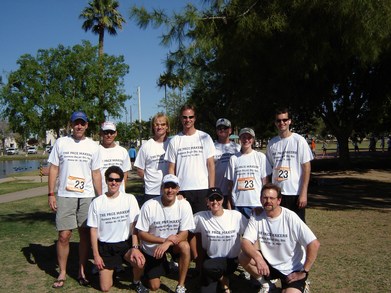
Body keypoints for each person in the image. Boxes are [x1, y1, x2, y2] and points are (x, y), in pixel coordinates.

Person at [48, 111, 102, 289]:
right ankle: (62, 271)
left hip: (86, 195)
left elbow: (96, 173)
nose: (79, 126)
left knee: (84, 233)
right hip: (65, 194)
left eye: (82, 123)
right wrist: (51, 193)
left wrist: (100, 198)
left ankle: (81, 270)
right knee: (64, 235)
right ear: (71, 125)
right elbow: (54, 168)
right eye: (76, 123)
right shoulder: (61, 143)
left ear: (87, 125)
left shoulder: (93, 146)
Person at [239, 183, 320, 293]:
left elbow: (314, 244)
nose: (268, 201)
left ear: (279, 200)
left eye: (272, 198)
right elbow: (245, 242)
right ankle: (266, 286)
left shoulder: (290, 217)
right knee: (244, 256)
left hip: (292, 269)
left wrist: (304, 271)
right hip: (269, 264)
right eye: (265, 197)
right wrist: (258, 259)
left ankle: (302, 284)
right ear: (260, 199)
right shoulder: (257, 215)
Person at [87, 166, 147, 292]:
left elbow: (135, 226)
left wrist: (135, 248)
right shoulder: (97, 202)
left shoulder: (129, 199)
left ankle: (136, 282)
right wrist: (96, 255)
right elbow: (93, 230)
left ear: (121, 181)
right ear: (106, 180)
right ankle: (111, 268)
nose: (114, 182)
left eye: (117, 180)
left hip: (125, 244)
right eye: (110, 179)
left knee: (140, 261)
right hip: (106, 246)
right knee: (105, 288)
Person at [135, 174, 195, 293]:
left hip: (171, 244)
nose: (170, 190)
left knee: (185, 246)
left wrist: (167, 243)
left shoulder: (184, 204)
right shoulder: (149, 205)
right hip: (153, 247)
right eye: (167, 187)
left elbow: (185, 233)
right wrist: (163, 241)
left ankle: (181, 286)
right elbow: (141, 234)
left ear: (178, 189)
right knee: (154, 286)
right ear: (162, 188)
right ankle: (147, 270)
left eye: (173, 187)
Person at [192, 187, 248, 293]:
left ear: (222, 200)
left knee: (207, 267)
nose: (215, 202)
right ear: (206, 201)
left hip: (230, 261)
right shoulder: (200, 217)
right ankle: (223, 280)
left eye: (218, 199)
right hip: (211, 260)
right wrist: (195, 254)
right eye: (211, 199)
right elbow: (187, 230)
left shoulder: (235, 215)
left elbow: (250, 232)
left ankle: (223, 278)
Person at [165, 104, 215, 214]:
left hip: (202, 188)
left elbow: (211, 165)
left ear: (195, 118)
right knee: (184, 227)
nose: (188, 120)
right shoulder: (175, 140)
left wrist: (211, 190)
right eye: (185, 117)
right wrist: (175, 190)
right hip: (182, 189)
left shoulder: (205, 137)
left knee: (201, 226)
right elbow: (171, 168)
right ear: (181, 118)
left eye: (191, 117)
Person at [266, 108, 313, 222]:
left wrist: (303, 193)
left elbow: (306, 167)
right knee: (279, 225)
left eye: (284, 120)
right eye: (279, 120)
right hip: (278, 194)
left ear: (290, 121)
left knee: (297, 227)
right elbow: (269, 169)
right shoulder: (272, 143)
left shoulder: (299, 140)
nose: (282, 123)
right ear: (275, 123)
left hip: (295, 192)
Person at [226, 128, 271, 219]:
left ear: (253, 140)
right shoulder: (234, 158)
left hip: (256, 203)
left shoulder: (260, 157)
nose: (246, 140)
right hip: (238, 203)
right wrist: (229, 202)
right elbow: (230, 184)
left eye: (249, 137)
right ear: (240, 139)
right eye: (244, 137)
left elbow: (265, 182)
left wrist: (265, 201)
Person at [134, 113, 171, 205]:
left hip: (170, 190)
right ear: (153, 127)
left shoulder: (172, 143)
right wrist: (149, 180)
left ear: (167, 126)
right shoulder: (146, 146)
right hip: (151, 191)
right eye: (156, 124)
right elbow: (139, 170)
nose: (159, 127)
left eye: (163, 124)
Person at [214, 118, 241, 208]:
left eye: (225, 128)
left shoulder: (237, 148)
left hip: (235, 191)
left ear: (230, 130)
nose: (222, 130)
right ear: (216, 131)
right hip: (218, 191)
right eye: (219, 128)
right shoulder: (211, 147)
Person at [99, 121, 131, 194]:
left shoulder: (123, 151)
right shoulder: (96, 151)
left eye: (111, 132)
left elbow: (125, 173)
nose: (109, 135)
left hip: (119, 195)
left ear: (116, 133)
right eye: (106, 132)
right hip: (102, 194)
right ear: (101, 133)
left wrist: (122, 189)